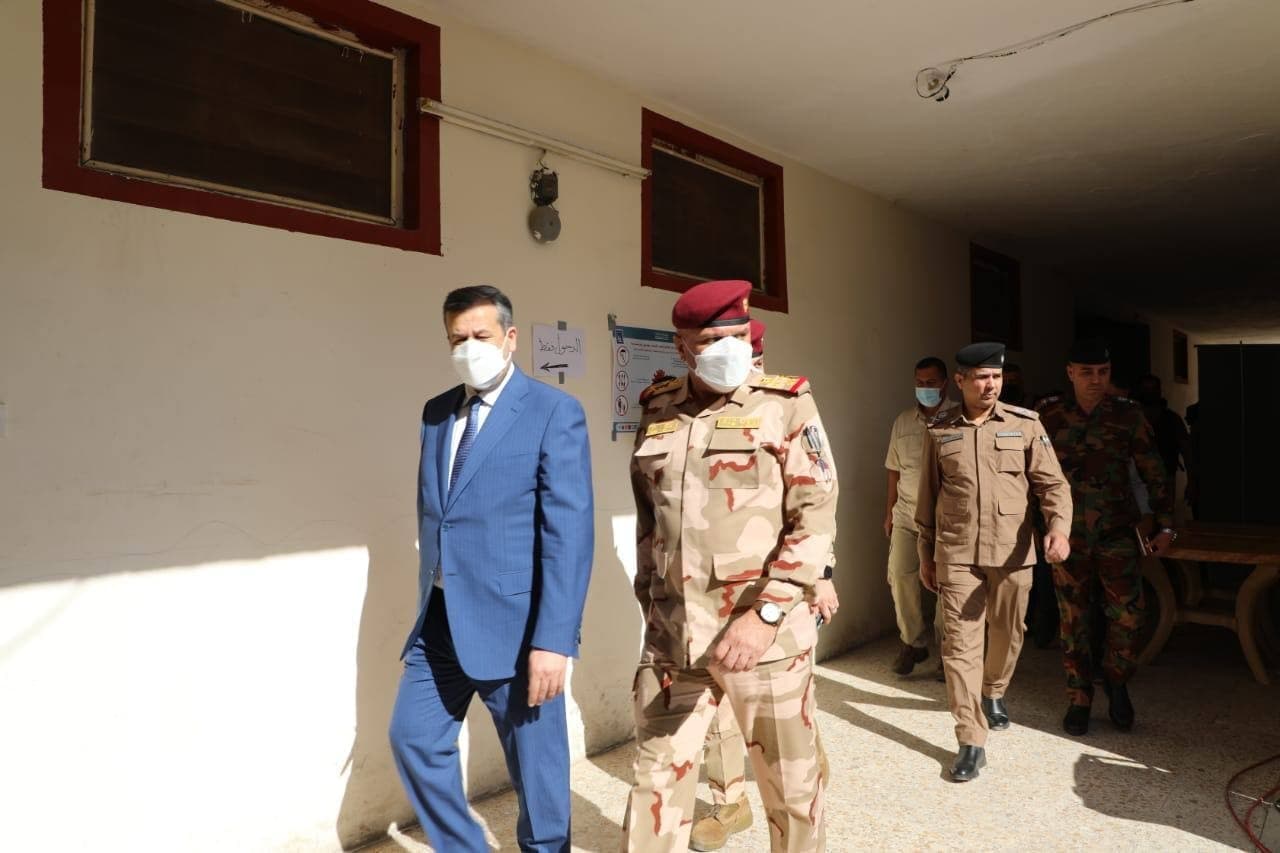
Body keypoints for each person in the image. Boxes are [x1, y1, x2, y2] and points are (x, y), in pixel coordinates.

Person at [623, 280, 837, 852]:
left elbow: (815, 515)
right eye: (711, 340)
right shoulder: (658, 408)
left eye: (739, 335)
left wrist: (766, 614)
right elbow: (649, 521)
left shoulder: (785, 404)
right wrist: (651, 601)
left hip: (762, 639)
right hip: (674, 639)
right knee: (653, 787)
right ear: (682, 346)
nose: (730, 349)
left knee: (790, 792)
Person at [389, 285, 594, 853]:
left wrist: (554, 640)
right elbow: (442, 512)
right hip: (440, 620)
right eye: (457, 339)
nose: (469, 348)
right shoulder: (436, 413)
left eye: (481, 335)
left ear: (510, 338)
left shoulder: (554, 412)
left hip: (518, 626)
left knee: (536, 768)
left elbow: (569, 536)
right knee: (412, 739)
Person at [689, 318, 837, 852]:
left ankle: (803, 772)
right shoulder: (690, 413)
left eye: (748, 353)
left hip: (774, 603)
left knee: (784, 728)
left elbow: (813, 509)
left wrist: (822, 578)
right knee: (718, 716)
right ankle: (729, 799)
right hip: (708, 601)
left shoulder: (784, 407)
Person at [916, 342, 1072, 781]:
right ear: (961, 381)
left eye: (996, 377)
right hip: (957, 551)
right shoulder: (940, 429)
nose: (991, 385)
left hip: (1012, 551)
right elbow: (928, 496)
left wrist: (1059, 528)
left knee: (1008, 630)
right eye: (982, 377)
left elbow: (1053, 485)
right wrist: (925, 553)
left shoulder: (1025, 425)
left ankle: (994, 688)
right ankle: (970, 739)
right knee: (959, 645)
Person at [1038, 341, 1175, 736]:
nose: (1095, 380)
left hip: (1117, 532)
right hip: (1068, 536)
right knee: (1073, 618)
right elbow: (1030, 473)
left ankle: (1116, 681)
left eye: (1102, 372)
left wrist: (1166, 525)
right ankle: (1079, 696)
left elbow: (1153, 470)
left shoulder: (1128, 415)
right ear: (1070, 373)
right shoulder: (1049, 416)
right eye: (1087, 372)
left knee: (1130, 615)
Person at [883, 356, 956, 679]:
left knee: (946, 584)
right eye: (919, 383)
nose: (924, 388)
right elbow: (893, 470)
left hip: (945, 519)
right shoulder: (903, 422)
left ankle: (947, 650)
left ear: (945, 384)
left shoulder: (959, 417)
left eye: (931, 383)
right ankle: (912, 642)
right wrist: (889, 511)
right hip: (906, 515)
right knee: (899, 575)